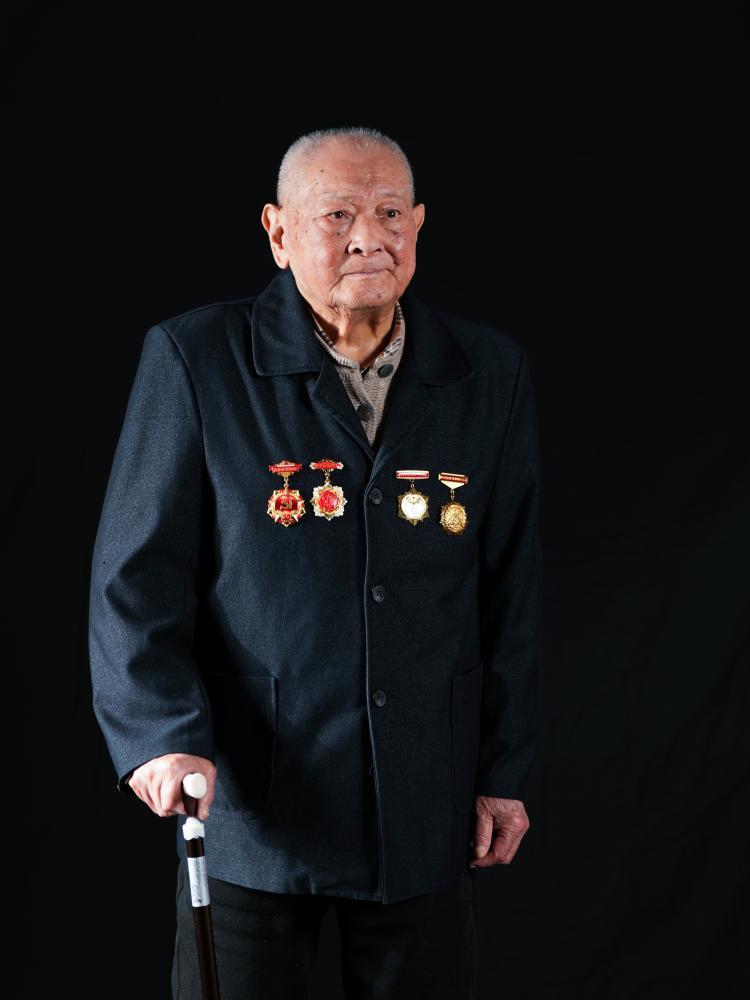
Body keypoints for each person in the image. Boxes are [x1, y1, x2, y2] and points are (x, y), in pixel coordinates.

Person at [88, 125, 543, 999]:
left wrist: (503, 770)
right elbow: (135, 578)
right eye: (338, 215)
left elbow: (510, 590)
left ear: (418, 225)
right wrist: (158, 736)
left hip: (424, 799)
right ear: (278, 232)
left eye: (390, 214)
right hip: (254, 803)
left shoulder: (487, 373)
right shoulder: (196, 359)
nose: (370, 238)